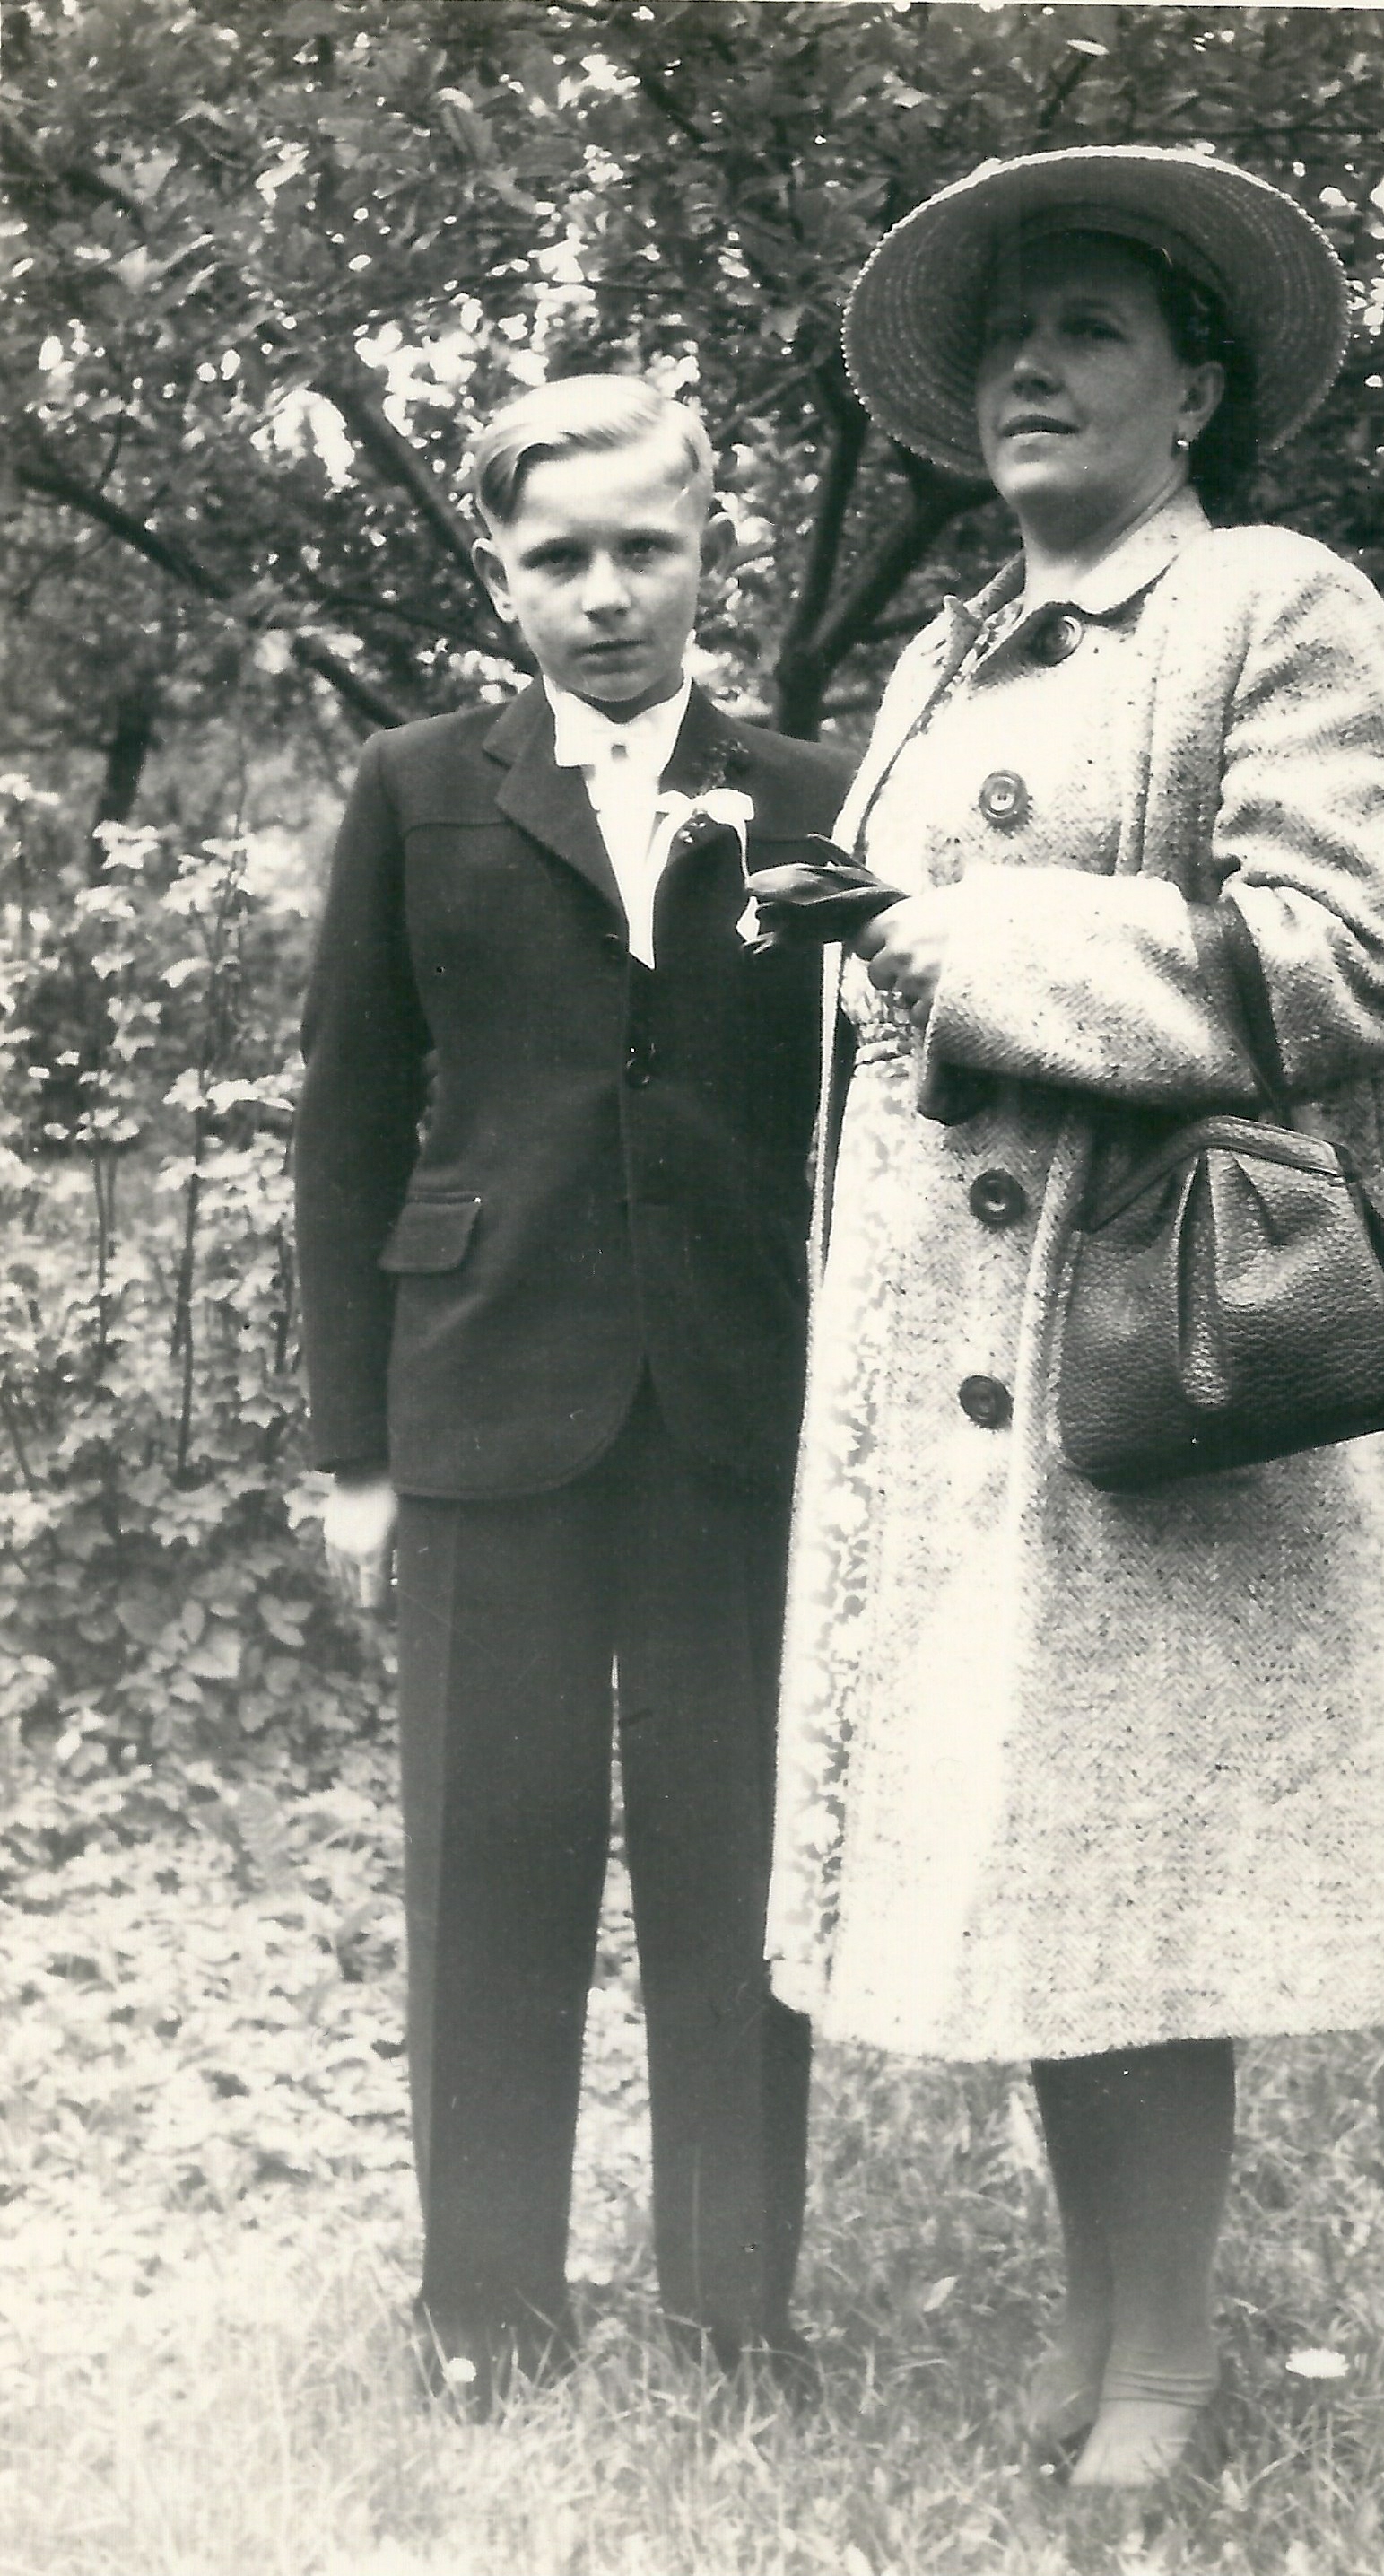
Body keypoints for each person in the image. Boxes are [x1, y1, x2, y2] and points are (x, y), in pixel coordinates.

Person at [762, 147, 1384, 2492]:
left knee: (1136, 1853)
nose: (1029, 366)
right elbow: (893, 974)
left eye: (1089, 330)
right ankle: (1100, 2326)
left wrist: (957, 945)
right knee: (1045, 1846)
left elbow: (1348, 956)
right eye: (1007, 336)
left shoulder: (1272, 602)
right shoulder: (945, 652)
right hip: (950, 1356)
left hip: (1151, 1334)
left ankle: (1167, 2359)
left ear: (1196, 392)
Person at [293, 376, 850, 2412]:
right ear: (504, 576)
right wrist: (354, 1449)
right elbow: (349, 1116)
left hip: (735, 1408)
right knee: (490, 1860)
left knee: (735, 1870)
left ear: (710, 551)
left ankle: (735, 2312)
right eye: (558, 558)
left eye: (644, 549)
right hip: (486, 1399)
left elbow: (861, 1121)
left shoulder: (808, 789)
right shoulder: (418, 784)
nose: (604, 594)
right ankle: (485, 2312)